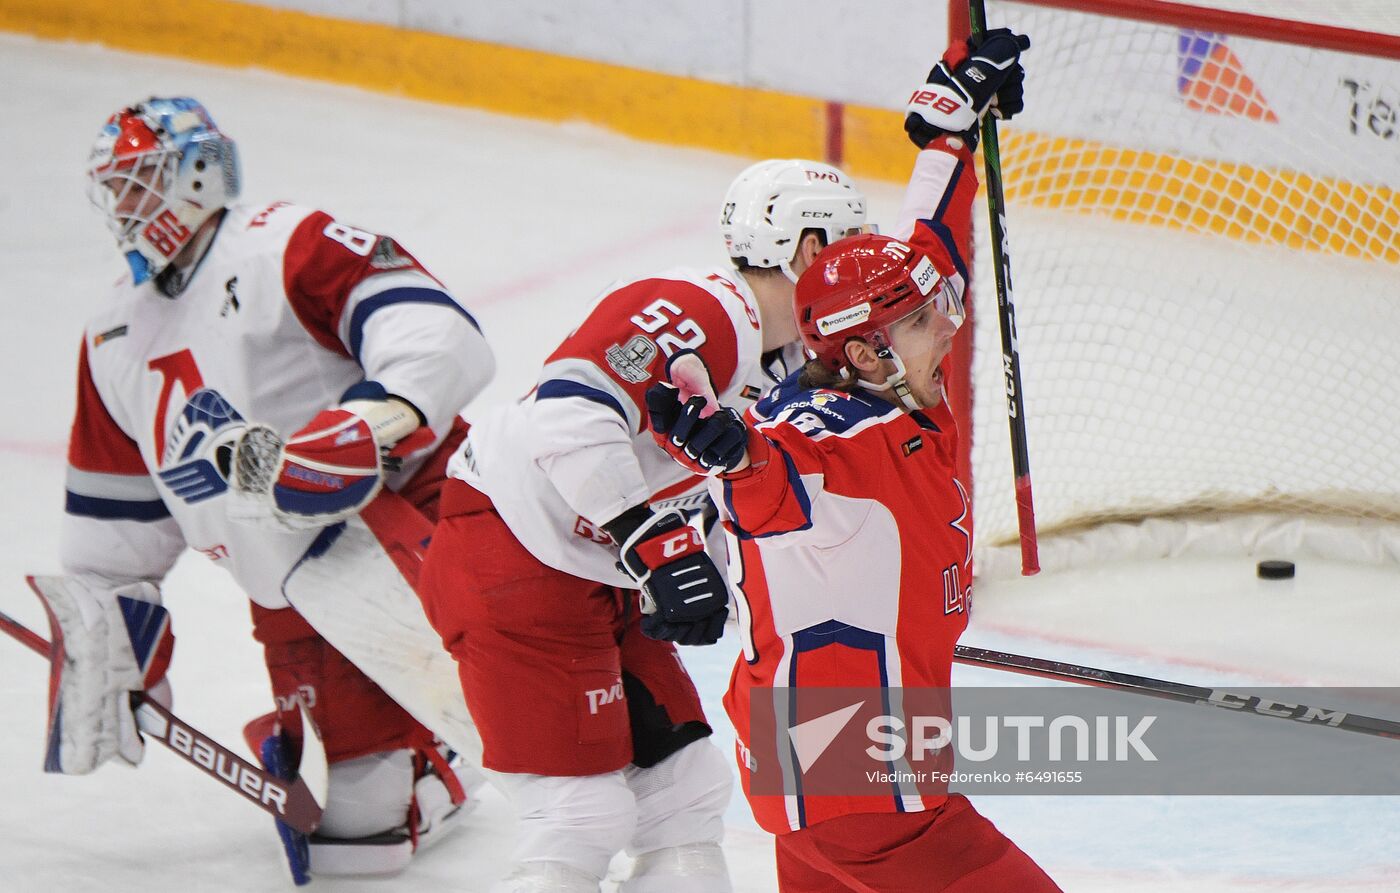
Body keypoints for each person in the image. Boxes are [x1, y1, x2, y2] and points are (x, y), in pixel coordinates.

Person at [644, 30, 1062, 893]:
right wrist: (732, 450)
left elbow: (933, 248)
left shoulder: (894, 375)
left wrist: (949, 131)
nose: (947, 325)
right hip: (855, 772)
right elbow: (779, 478)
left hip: (817, 756)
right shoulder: (835, 437)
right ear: (868, 355)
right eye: (922, 322)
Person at [46, 97, 495, 879]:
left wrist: (366, 425)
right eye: (114, 188)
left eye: (141, 181)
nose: (124, 206)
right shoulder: (110, 336)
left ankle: (452, 752)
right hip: (281, 589)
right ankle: (416, 741)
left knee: (402, 812)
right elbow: (117, 524)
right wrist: (107, 639)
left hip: (392, 533)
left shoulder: (284, 242)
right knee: (351, 838)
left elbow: (434, 330)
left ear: (199, 171)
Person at [417, 155, 870, 891]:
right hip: (511, 546)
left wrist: (713, 571)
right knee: (577, 812)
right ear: (810, 248)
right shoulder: (703, 310)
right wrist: (661, 548)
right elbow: (564, 417)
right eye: (851, 241)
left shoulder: (793, 364)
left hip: (600, 569)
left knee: (684, 795)